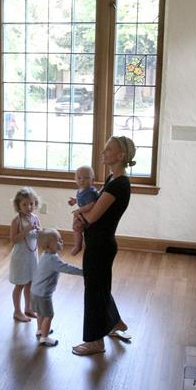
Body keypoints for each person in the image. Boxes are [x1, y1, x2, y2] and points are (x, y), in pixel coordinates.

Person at [71, 136, 136, 356]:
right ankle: (115, 323)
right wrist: (82, 216)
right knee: (100, 287)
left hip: (101, 246)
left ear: (121, 156)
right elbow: (92, 210)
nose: (103, 152)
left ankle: (95, 341)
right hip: (99, 243)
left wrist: (80, 216)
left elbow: (94, 215)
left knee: (94, 291)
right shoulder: (111, 178)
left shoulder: (119, 185)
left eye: (109, 149)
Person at [30, 229, 83, 347]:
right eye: (58, 240)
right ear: (48, 245)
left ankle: (40, 330)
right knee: (49, 315)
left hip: (35, 291)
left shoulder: (45, 255)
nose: (61, 242)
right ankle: (44, 337)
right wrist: (84, 272)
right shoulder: (53, 259)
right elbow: (67, 268)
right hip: (43, 294)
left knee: (40, 313)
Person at [9, 187, 41, 323]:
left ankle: (28, 308)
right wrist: (27, 230)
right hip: (20, 258)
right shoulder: (16, 221)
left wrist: (40, 231)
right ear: (18, 205)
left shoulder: (35, 218)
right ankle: (17, 311)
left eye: (31, 204)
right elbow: (14, 240)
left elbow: (39, 236)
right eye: (24, 204)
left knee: (30, 283)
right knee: (20, 284)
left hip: (32, 256)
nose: (29, 207)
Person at [67, 165, 99, 256]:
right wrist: (75, 201)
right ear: (75, 179)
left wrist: (79, 210)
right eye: (79, 178)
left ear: (92, 180)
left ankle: (78, 246)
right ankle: (79, 244)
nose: (82, 180)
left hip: (88, 215)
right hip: (83, 214)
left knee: (77, 228)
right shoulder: (81, 190)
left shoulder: (90, 192)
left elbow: (91, 204)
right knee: (77, 229)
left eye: (86, 178)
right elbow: (83, 200)